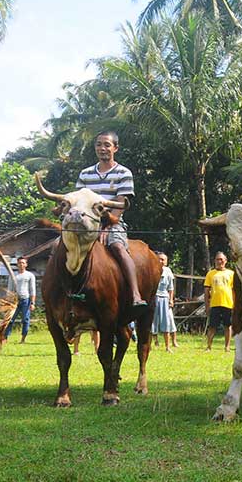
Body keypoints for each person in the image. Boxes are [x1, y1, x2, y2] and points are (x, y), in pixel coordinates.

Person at [75, 131, 146, 307]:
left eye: (107, 144)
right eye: (99, 144)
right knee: (60, 247)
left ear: (116, 148)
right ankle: (61, 295)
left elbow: (121, 204)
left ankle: (135, 294)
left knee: (118, 247)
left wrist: (106, 227)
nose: (102, 148)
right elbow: (78, 200)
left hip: (112, 222)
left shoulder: (124, 173)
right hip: (86, 223)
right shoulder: (85, 174)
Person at [204, 252, 235, 351]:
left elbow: (234, 291)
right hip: (214, 304)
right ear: (215, 261)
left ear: (225, 261)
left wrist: (235, 304)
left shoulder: (231, 273)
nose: (219, 261)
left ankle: (227, 347)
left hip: (228, 304)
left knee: (228, 326)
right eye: (217, 259)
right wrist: (207, 305)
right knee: (212, 326)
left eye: (221, 259)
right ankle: (208, 346)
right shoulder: (210, 273)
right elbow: (206, 291)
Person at [4, 256, 36, 344]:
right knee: (10, 319)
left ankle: (23, 339)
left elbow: (32, 290)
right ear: (17, 264)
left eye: (23, 263)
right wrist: (8, 301)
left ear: (26, 264)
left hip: (26, 300)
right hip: (14, 300)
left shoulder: (30, 275)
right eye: (19, 263)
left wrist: (32, 303)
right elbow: (9, 288)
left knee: (25, 319)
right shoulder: (13, 275)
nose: (21, 264)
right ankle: (5, 337)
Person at [152, 253, 177, 351]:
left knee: (166, 323)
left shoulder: (168, 271)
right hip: (154, 297)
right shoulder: (152, 269)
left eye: (163, 259)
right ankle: (149, 345)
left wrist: (171, 300)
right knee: (152, 323)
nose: (161, 261)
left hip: (164, 298)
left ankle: (168, 347)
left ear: (166, 261)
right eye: (159, 259)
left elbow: (171, 288)